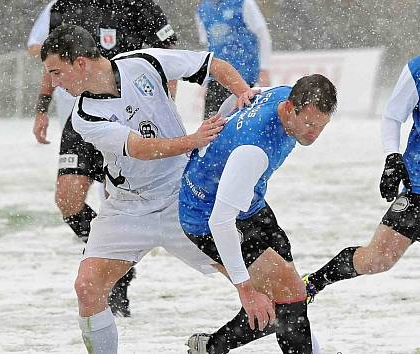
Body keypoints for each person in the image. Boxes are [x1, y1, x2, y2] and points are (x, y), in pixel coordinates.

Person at [40, 24, 258, 353]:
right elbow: (141, 148)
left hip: (183, 197)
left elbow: (213, 64)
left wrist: (243, 93)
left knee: (257, 283)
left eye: (57, 72)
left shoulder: (144, 62)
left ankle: (302, 343)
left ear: (81, 63)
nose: (54, 83)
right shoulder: (83, 115)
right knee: (88, 288)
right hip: (128, 208)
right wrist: (194, 140)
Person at [28, 0, 180, 317]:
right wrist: (42, 106)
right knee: (67, 199)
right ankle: (98, 253)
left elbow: (167, 59)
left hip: (130, 116)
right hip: (85, 116)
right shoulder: (63, 7)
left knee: (115, 198)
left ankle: (117, 284)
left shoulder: (139, 5)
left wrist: (161, 111)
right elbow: (49, 59)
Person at [179, 75, 337, 353]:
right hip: (206, 217)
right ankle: (213, 347)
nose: (314, 134)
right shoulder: (254, 149)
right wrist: (246, 290)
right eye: (309, 124)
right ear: (290, 109)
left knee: (289, 299)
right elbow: (220, 221)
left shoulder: (284, 95)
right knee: (288, 295)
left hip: (249, 203)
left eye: (322, 126)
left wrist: (228, 110)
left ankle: (211, 347)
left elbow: (245, 95)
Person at [303, 56, 420, 304]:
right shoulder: (417, 69)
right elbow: (392, 116)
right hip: (418, 188)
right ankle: (313, 283)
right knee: (378, 259)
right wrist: (392, 157)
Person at [196, 0, 272, 117]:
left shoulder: (244, 3)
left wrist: (264, 69)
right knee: (212, 125)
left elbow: (263, 35)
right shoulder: (202, 9)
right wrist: (206, 79)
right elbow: (207, 45)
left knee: (244, 122)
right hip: (217, 78)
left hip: (244, 78)